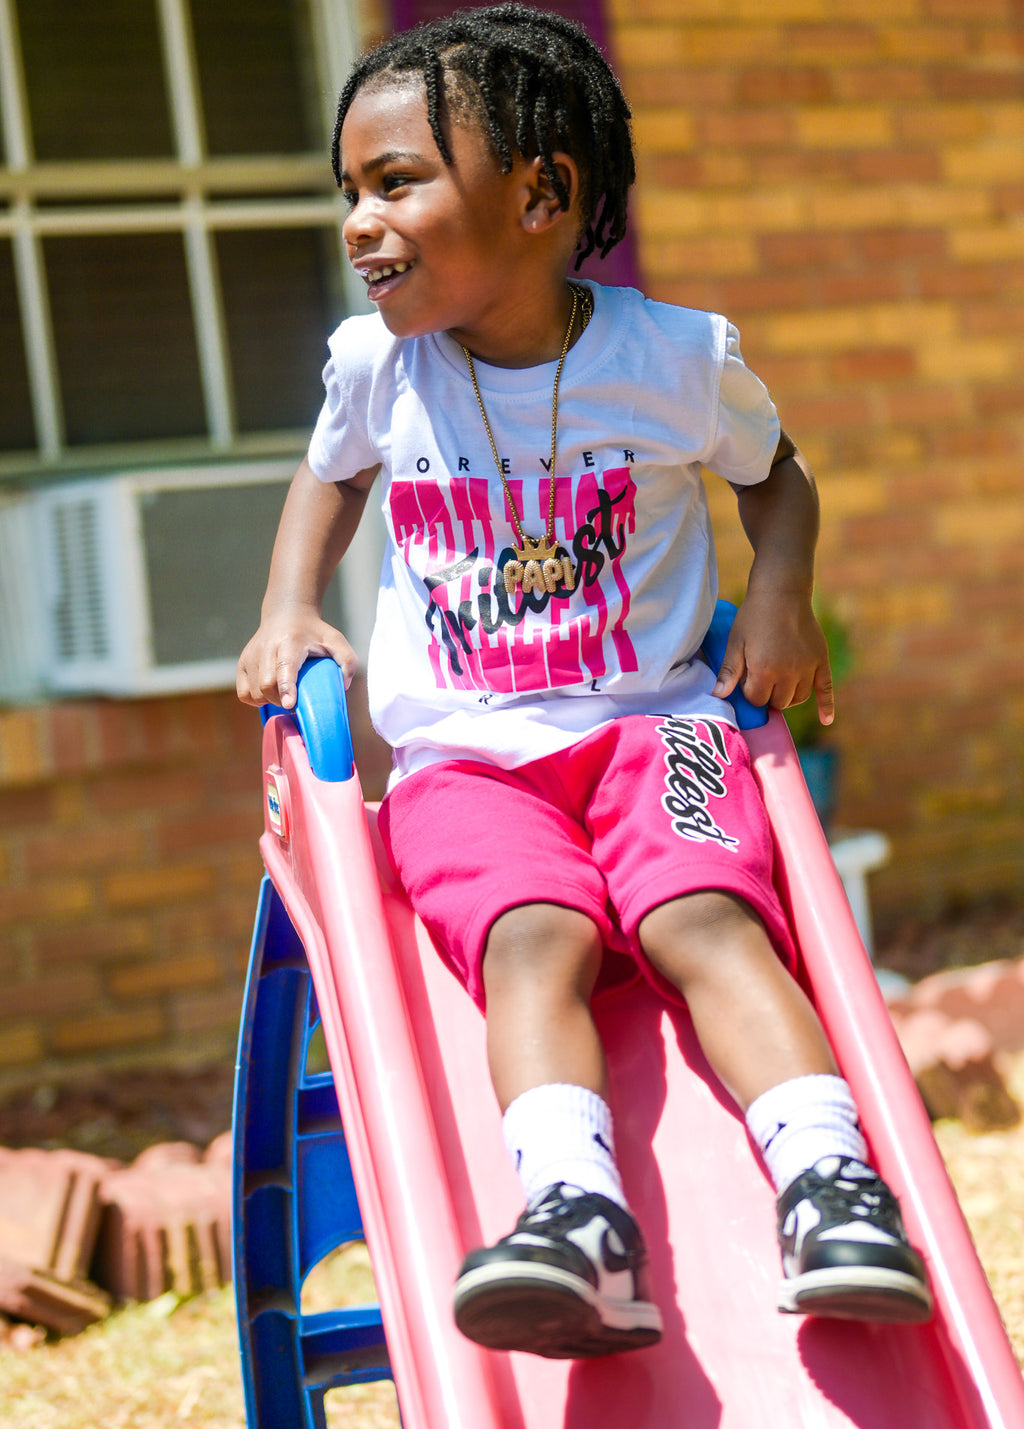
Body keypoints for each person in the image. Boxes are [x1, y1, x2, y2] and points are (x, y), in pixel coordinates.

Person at [237, 3, 932, 1359]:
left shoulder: (674, 361)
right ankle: (575, 1216)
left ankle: (834, 1184)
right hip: (462, 758)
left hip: (656, 724)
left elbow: (775, 477)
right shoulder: (381, 367)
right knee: (529, 942)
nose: (358, 222)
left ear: (543, 197)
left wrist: (778, 592)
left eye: (398, 183)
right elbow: (330, 477)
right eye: (350, 192)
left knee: (707, 921)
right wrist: (289, 605)